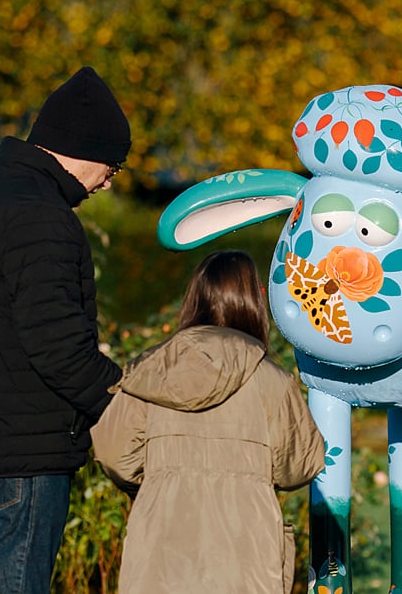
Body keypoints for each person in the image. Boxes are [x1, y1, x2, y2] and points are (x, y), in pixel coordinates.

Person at [0, 66, 131, 593]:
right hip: (23, 451)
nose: (109, 181)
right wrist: (128, 403)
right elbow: (58, 346)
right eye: (112, 166)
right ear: (84, 149)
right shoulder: (38, 214)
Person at [92, 250, 325, 593]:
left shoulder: (150, 371)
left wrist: (158, 480)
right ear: (253, 303)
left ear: (193, 299)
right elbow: (302, 466)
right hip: (247, 554)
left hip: (161, 548)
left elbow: (113, 454)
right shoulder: (272, 382)